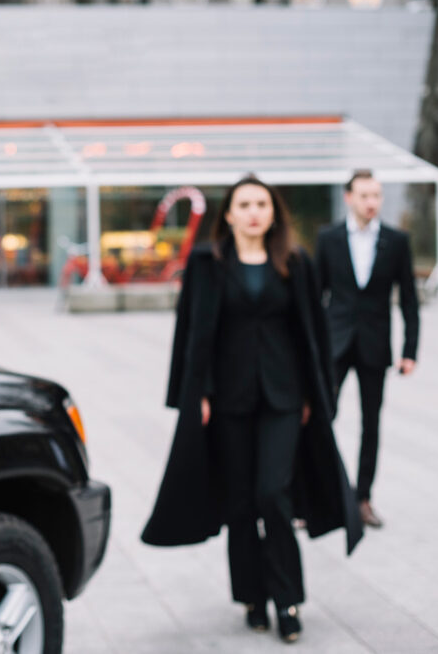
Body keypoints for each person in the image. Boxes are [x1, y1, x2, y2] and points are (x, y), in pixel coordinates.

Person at [141, 176, 362, 644]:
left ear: (273, 212)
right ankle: (251, 596)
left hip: (284, 398)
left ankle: (288, 600)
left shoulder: (295, 262)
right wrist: (192, 391)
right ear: (230, 214)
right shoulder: (208, 262)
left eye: (262, 203)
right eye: (245, 204)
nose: (254, 212)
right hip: (229, 399)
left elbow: (312, 332)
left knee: (272, 494)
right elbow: (193, 329)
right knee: (240, 501)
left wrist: (313, 395)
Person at [315, 169, 419, 529]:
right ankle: (316, 496)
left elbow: (409, 298)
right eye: (364, 195)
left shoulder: (396, 240)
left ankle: (363, 499)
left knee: (371, 425)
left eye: (376, 195)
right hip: (335, 343)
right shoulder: (327, 238)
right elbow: (315, 297)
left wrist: (410, 350)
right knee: (321, 417)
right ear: (348, 198)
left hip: (375, 345)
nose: (371, 202)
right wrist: (309, 347)